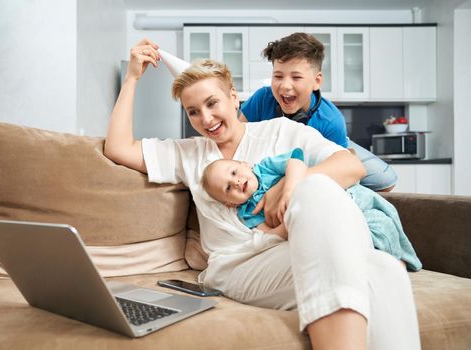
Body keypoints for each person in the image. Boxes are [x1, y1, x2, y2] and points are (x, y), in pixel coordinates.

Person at [104, 38, 420, 350]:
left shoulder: (282, 131)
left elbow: (350, 165)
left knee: (385, 269)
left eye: (212, 103)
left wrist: (290, 184)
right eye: (193, 112)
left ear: (233, 98)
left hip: (294, 247)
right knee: (364, 265)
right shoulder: (188, 153)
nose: (207, 119)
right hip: (240, 264)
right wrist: (132, 78)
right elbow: (117, 148)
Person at [200, 149, 422, 271]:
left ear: (244, 164)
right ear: (230, 203)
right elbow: (268, 234)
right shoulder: (246, 213)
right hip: (318, 222)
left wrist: (288, 190)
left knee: (378, 224)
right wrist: (289, 225)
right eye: (228, 188)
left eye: (233, 173)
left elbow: (296, 162)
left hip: (346, 198)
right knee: (353, 244)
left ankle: (395, 260)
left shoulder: (265, 167)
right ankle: (385, 266)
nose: (236, 182)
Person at [240, 32, 397, 198]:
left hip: (328, 145)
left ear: (317, 81)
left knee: (386, 181)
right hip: (282, 153)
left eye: (296, 77)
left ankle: (348, 146)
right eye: (278, 76)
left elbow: (337, 169)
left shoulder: (331, 121)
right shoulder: (262, 98)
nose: (285, 86)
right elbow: (239, 135)